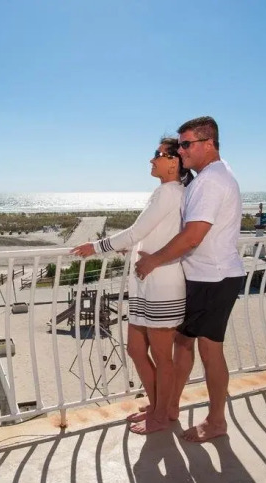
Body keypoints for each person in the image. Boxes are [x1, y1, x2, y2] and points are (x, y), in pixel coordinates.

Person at [135, 116, 244, 443]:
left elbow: (193, 235)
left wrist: (154, 260)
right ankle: (169, 407)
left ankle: (216, 421)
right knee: (183, 344)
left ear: (208, 144)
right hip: (201, 277)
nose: (180, 151)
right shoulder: (214, 175)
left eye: (186, 144)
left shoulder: (211, 181)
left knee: (210, 352)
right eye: (180, 145)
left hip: (215, 278)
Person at [71, 137, 188, 434]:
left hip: (162, 285)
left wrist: (96, 247)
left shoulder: (170, 193)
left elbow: (137, 231)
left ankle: (161, 414)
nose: (152, 159)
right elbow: (149, 235)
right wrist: (132, 249)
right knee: (136, 349)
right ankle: (158, 404)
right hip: (145, 283)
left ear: (174, 162)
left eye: (158, 154)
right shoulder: (165, 192)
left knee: (162, 357)